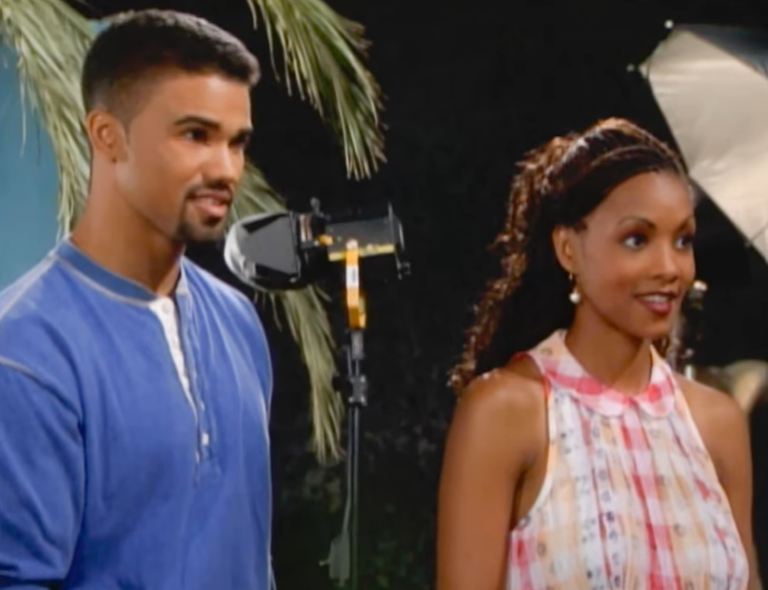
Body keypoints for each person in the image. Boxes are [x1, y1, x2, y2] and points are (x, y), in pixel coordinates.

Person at [0, 10, 275, 589]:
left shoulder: (237, 321)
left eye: (237, 142)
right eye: (196, 135)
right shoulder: (24, 351)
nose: (226, 169)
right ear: (108, 136)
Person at [437, 118, 757, 590]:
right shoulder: (507, 412)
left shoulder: (717, 423)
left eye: (682, 240)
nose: (669, 267)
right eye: (637, 239)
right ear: (568, 249)